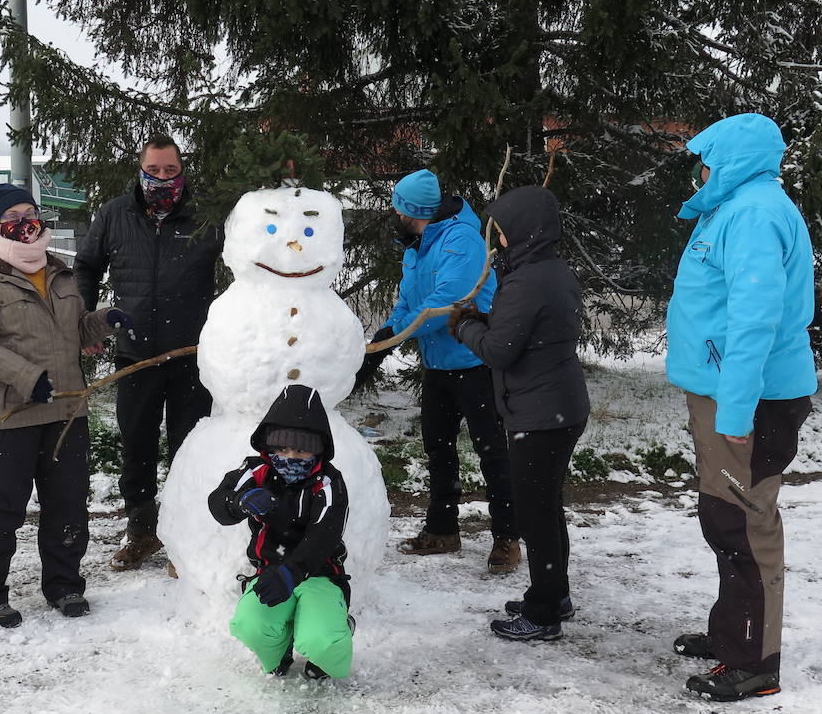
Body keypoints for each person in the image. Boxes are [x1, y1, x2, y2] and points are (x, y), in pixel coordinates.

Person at [665, 113, 816, 702]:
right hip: (730, 392)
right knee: (725, 517)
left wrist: (734, 412)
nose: (699, 169)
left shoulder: (753, 214)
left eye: (707, 158)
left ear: (730, 160)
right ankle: (733, 634)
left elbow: (755, 322)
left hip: (748, 398)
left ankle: (754, 659)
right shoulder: (736, 209)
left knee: (744, 524)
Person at [0, 183, 131, 627]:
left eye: (30, 211)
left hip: (67, 412)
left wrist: (103, 322)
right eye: (12, 215)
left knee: (68, 504)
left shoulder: (61, 275)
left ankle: (65, 585)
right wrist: (26, 378)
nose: (25, 221)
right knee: (4, 508)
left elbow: (72, 332)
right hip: (8, 416)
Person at [75, 135, 224, 571]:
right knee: (136, 447)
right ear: (140, 169)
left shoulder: (206, 216)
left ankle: (183, 541)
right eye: (154, 170)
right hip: (134, 355)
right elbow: (86, 265)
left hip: (191, 355)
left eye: (170, 171)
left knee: (188, 450)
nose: (162, 178)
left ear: (182, 170)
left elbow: (247, 262)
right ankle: (142, 532)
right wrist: (86, 320)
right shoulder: (115, 213)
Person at [450, 186, 591, 642]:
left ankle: (544, 611)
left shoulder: (528, 280)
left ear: (525, 231)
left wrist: (466, 326)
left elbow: (500, 350)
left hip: (539, 411)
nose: (500, 239)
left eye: (505, 230)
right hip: (558, 404)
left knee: (536, 513)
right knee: (547, 507)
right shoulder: (550, 270)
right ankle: (555, 594)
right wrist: (486, 320)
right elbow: (528, 332)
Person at [362, 168, 517, 573]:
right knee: (438, 448)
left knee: (493, 453)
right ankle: (443, 529)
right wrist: (383, 336)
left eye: (397, 208)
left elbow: (448, 301)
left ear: (411, 210)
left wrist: (397, 333)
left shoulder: (460, 240)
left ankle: (507, 538)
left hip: (475, 362)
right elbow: (408, 299)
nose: (393, 214)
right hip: (438, 366)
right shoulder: (417, 244)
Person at [208, 385, 353, 680]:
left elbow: (325, 534)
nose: (290, 457)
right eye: (282, 448)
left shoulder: (328, 481)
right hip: (270, 573)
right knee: (249, 625)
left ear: (319, 450)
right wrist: (239, 502)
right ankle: (279, 649)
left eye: (301, 450)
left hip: (319, 575)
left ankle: (333, 639)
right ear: (268, 447)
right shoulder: (257, 471)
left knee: (321, 641)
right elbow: (218, 504)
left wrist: (293, 571)